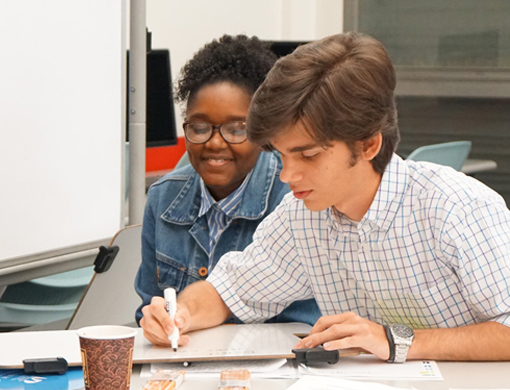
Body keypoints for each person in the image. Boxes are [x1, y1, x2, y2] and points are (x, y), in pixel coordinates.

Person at [139, 32, 510, 363]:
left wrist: (396, 341)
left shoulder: (457, 208)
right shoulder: (303, 215)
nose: (287, 175)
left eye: (308, 155)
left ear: (367, 144)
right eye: (282, 155)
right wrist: (179, 313)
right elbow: (228, 291)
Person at [134, 34, 320, 326]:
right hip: (187, 363)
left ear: (263, 131)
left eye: (235, 129)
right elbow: (149, 304)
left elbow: (302, 324)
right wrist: (157, 323)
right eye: (199, 127)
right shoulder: (163, 199)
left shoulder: (297, 200)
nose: (215, 143)